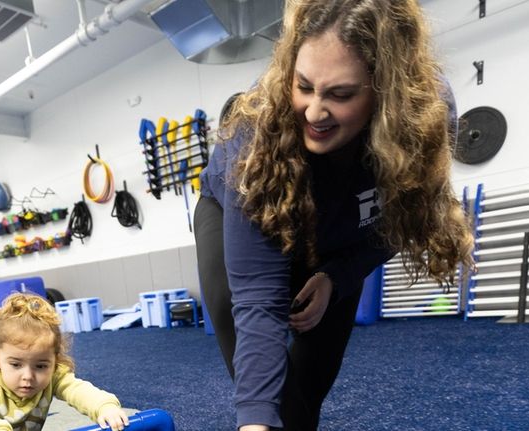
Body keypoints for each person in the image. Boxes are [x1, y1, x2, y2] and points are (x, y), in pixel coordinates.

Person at [194, 1, 474, 430]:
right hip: (249, 200)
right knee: (258, 369)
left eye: (341, 94)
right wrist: (253, 423)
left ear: (386, 89)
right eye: (303, 86)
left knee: (313, 376)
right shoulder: (256, 133)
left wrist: (338, 276)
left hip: (340, 229)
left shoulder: (424, 117)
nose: (314, 111)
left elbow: (404, 215)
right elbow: (258, 305)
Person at [0, 292, 130, 431]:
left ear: (54, 359)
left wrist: (104, 407)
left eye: (41, 366)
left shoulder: (53, 373)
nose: (28, 376)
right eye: (16, 364)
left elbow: (77, 389)